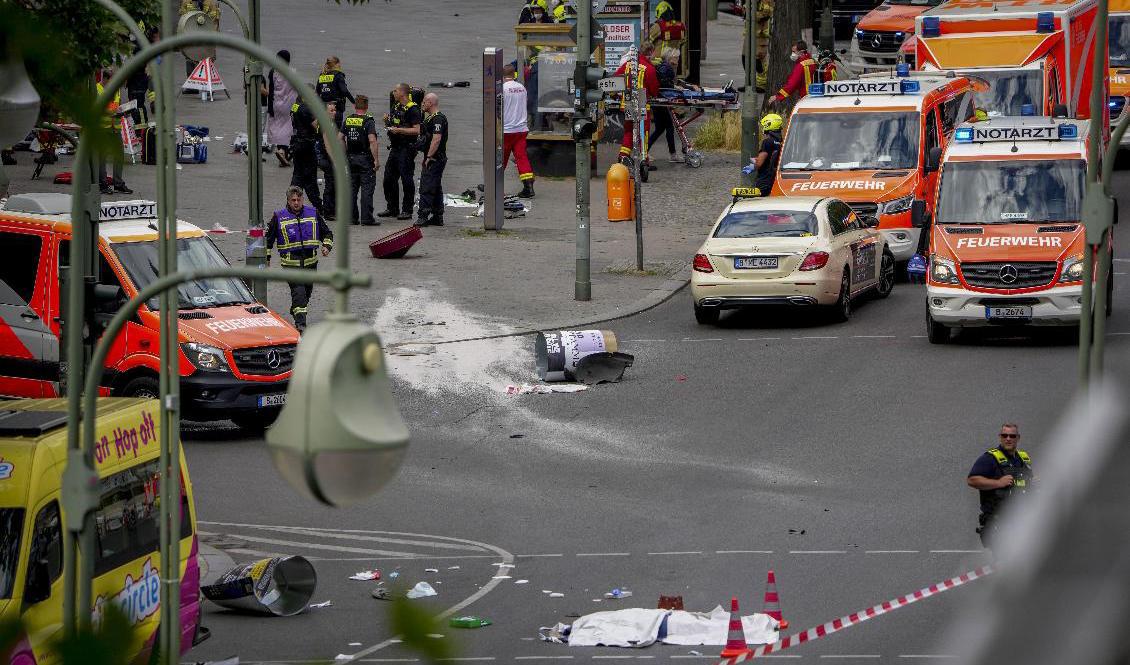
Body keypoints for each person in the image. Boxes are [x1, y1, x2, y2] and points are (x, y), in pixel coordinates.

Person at [265, 186, 334, 331]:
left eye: (298, 200)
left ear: (302, 199)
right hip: (291, 264)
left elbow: (327, 233)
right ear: (288, 201)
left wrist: (327, 246)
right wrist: (267, 257)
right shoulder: (279, 216)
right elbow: (268, 239)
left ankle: (296, 309)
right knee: (299, 293)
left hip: (311, 263)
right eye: (293, 200)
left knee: (306, 293)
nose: (296, 203)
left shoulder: (313, 213)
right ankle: (301, 325)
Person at [967, 422, 1034, 549]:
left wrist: (1033, 483)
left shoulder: (1024, 459)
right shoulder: (989, 458)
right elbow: (972, 480)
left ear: (1018, 438)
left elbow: (1024, 484)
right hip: (999, 525)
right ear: (1000, 437)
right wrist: (998, 483)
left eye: (1012, 436)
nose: (1008, 439)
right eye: (1004, 435)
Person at [380, 83, 422, 221]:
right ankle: (392, 207)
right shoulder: (396, 106)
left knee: (406, 180)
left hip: (407, 148)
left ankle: (407, 210)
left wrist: (399, 130)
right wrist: (387, 122)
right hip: (395, 147)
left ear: (402, 93)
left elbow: (417, 130)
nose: (393, 92)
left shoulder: (413, 109)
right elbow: (393, 124)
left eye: (396, 90)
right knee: (388, 179)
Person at [615, 42, 661, 166]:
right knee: (643, 132)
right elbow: (654, 90)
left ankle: (623, 156)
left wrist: (619, 93)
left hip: (628, 102)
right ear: (650, 53)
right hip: (641, 103)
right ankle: (643, 159)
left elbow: (616, 78)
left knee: (629, 130)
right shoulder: (649, 68)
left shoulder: (628, 65)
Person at [340, 95, 382, 226]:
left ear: (355, 106)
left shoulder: (348, 120)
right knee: (367, 189)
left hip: (351, 158)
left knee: (352, 189)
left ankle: (352, 217)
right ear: (366, 107)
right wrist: (376, 160)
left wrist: (345, 153)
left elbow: (340, 137)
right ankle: (366, 218)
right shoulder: (368, 121)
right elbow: (372, 140)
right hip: (365, 159)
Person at [96, 68, 132, 195]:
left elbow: (117, 105)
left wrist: (124, 110)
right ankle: (102, 184)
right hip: (102, 128)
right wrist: (112, 112)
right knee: (102, 157)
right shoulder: (97, 90)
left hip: (115, 127)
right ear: (104, 79)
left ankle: (118, 183)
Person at [502, 63, 536, 198]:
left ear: (503, 76)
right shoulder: (521, 88)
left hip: (507, 130)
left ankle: (493, 184)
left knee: (500, 159)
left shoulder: (502, 89)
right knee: (521, 157)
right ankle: (528, 186)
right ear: (514, 74)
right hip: (521, 129)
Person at [415, 93, 448, 227]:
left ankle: (423, 216)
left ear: (430, 103)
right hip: (433, 157)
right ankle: (437, 215)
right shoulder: (431, 118)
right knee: (435, 186)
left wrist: (429, 157)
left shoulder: (438, 119)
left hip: (434, 158)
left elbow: (436, 139)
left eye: (424, 102)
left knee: (427, 186)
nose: (422, 104)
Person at [262, 49, 298, 167]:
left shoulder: (273, 72)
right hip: (289, 104)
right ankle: (283, 152)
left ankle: (280, 150)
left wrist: (270, 106)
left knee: (277, 128)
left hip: (276, 103)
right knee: (287, 129)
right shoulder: (292, 72)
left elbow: (271, 90)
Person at [769, 40, 835, 105]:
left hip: (807, 98)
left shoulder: (801, 66)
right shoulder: (813, 61)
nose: (792, 54)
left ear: (801, 52)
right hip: (818, 95)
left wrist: (777, 96)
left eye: (794, 52)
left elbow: (792, 84)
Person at [649, 48, 684, 164]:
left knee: (660, 129)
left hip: (659, 100)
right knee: (668, 126)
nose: (678, 60)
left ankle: (645, 150)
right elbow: (664, 83)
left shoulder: (664, 66)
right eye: (676, 57)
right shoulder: (666, 67)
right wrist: (674, 87)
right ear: (671, 58)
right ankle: (672, 154)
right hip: (661, 101)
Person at [289, 97, 323, 213]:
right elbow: (315, 125)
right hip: (306, 144)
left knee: (297, 175)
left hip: (297, 144)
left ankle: (291, 202)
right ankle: (318, 206)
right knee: (310, 178)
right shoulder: (305, 108)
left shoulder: (295, 105)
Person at [179, 0, 220, 78]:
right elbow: (183, 21)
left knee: (207, 59)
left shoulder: (210, 3)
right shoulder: (186, 2)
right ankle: (192, 86)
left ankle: (207, 86)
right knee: (190, 58)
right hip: (191, 36)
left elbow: (214, 25)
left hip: (207, 37)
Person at [315, 56, 354, 131]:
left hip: (324, 108)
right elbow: (344, 91)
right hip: (336, 108)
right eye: (339, 64)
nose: (340, 65)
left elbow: (317, 92)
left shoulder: (322, 75)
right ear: (336, 64)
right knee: (336, 132)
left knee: (325, 131)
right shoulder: (338, 75)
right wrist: (353, 102)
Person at [315, 100, 338, 220]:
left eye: (335, 110)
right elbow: (328, 144)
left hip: (321, 156)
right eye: (331, 110)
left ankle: (329, 210)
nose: (334, 113)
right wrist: (334, 160)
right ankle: (329, 211)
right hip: (326, 158)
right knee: (331, 184)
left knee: (331, 183)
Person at [754, 113, 783, 195]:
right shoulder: (780, 142)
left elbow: (759, 163)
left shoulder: (767, 142)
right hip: (774, 179)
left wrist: (752, 162)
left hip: (764, 180)